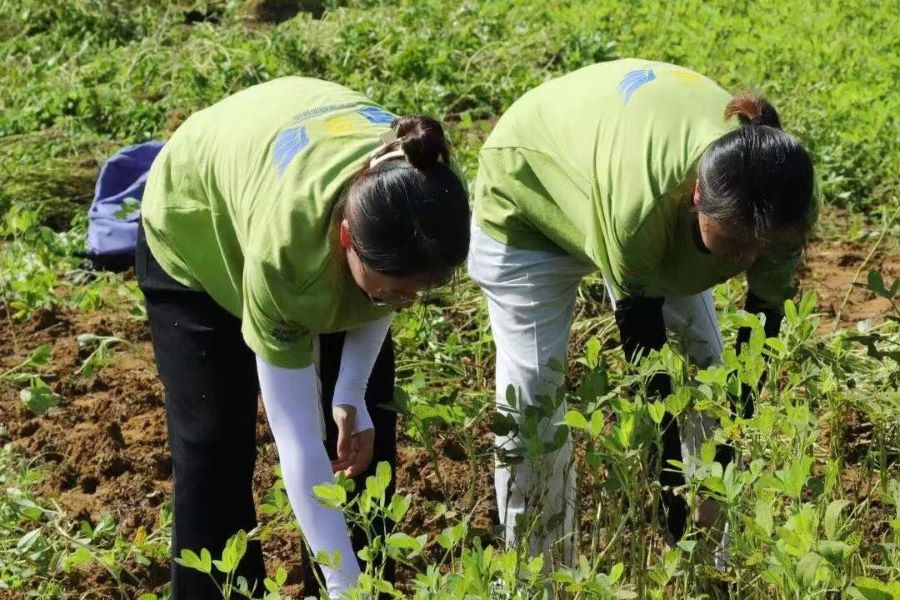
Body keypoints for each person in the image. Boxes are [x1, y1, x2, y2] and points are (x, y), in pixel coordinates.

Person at [468, 59, 816, 561]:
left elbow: (757, 344)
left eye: (760, 250)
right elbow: (649, 368)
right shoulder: (643, 209)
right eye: (735, 245)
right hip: (530, 192)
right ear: (696, 197)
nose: (747, 262)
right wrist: (671, 490)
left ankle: (712, 555)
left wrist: (723, 467)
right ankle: (533, 576)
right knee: (534, 404)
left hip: (634, 180)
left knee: (708, 373)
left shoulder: (785, 201)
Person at [136, 77, 470, 599]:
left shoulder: (423, 191)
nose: (405, 303)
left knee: (364, 439)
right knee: (215, 446)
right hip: (196, 228)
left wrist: (351, 392)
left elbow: (379, 299)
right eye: (392, 290)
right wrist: (344, 587)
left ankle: (361, 585)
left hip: (304, 188)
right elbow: (297, 444)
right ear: (346, 242)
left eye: (418, 292)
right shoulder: (286, 256)